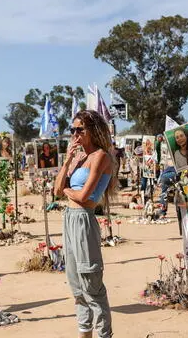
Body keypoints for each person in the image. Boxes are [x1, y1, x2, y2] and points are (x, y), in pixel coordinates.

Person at [54, 110, 116, 338]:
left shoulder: (101, 156)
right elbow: (56, 190)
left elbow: (85, 197)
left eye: (80, 129)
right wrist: (68, 161)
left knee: (92, 285)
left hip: (83, 220)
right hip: (69, 219)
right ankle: (84, 334)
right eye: (73, 130)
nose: (75, 134)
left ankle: (103, 335)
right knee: (76, 285)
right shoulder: (78, 157)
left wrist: (68, 192)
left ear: (93, 130)